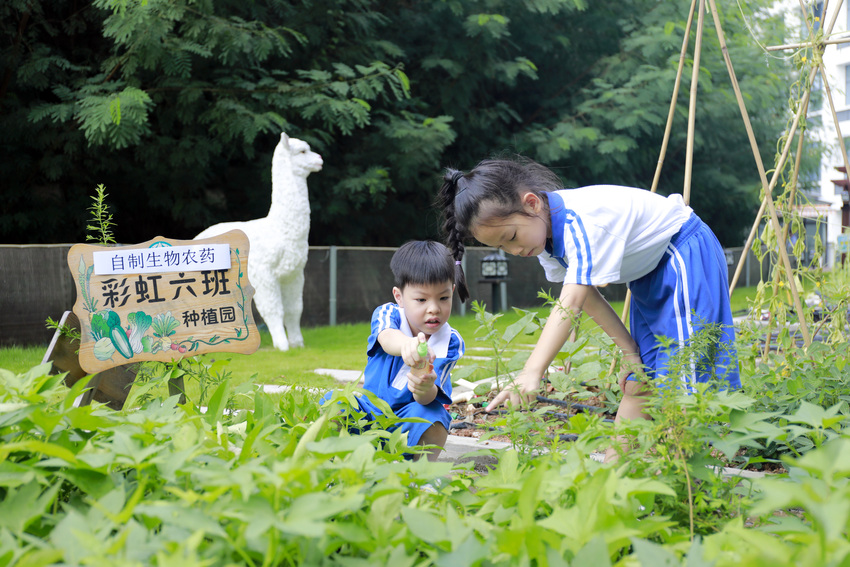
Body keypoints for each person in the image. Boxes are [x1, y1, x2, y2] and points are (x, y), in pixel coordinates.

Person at [436, 157, 740, 455]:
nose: (515, 250)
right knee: (640, 381)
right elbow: (587, 298)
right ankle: (611, 479)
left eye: (512, 237)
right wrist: (629, 351)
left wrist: (533, 370)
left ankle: (684, 477)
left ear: (531, 203)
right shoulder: (547, 241)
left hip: (682, 254)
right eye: (502, 247)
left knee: (682, 377)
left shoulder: (579, 222)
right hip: (649, 275)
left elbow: (571, 301)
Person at [353, 240, 465, 462]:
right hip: (369, 410)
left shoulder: (451, 341)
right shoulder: (388, 314)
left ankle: (418, 474)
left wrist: (424, 387)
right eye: (421, 299)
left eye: (443, 298)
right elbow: (386, 338)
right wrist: (407, 344)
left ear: (452, 291)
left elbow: (428, 398)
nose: (434, 308)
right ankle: (336, 463)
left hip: (408, 419)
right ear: (399, 297)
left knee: (433, 418)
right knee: (336, 403)